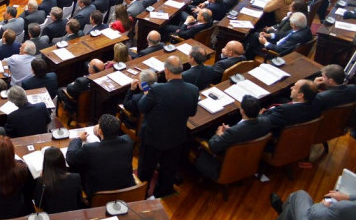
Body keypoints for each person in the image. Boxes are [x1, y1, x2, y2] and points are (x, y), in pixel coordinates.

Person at [138, 56, 199, 198]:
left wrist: (146, 93)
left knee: (146, 169)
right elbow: (192, 112)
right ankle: (163, 192)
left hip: (153, 137)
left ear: (166, 71)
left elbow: (142, 107)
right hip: (176, 137)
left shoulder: (156, 89)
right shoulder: (193, 90)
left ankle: (142, 193)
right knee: (169, 169)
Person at [194, 95, 271, 179]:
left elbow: (213, 146)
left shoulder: (234, 132)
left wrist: (219, 134)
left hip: (228, 163)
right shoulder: (266, 121)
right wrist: (230, 131)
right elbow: (245, 132)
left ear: (242, 111)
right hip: (249, 159)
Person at [66, 114, 135, 199]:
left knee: (77, 168)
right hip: (126, 190)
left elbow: (70, 157)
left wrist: (78, 139)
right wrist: (100, 131)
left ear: (100, 131)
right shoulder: (128, 141)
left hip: (99, 195)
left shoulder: (91, 149)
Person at [34, 148, 85, 213]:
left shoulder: (41, 181)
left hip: (52, 217)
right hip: (73, 214)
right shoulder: (76, 177)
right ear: (62, 160)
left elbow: (39, 204)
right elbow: (79, 200)